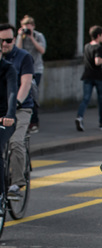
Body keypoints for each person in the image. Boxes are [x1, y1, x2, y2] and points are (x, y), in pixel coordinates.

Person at [0, 23, 34, 199]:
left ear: (14, 39)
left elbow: (25, 83)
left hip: (20, 109)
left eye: (7, 40)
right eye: (0, 40)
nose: (4, 44)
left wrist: (16, 105)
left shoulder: (24, 57)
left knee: (15, 142)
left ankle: (16, 183)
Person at [75, 25, 102, 132]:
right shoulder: (98, 47)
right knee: (101, 99)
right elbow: (97, 62)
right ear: (98, 36)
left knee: (86, 98)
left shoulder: (87, 46)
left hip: (87, 75)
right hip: (97, 76)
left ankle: (79, 116)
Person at [16, 15, 46, 133]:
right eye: (25, 28)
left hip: (36, 69)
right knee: (23, 94)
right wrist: (19, 36)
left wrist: (32, 37)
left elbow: (42, 50)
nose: (27, 30)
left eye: (29, 27)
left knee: (32, 94)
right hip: (22, 70)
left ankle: (34, 122)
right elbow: (17, 50)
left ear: (33, 26)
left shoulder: (38, 36)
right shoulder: (21, 37)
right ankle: (25, 121)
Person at [0, 49, 17, 207]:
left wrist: (10, 115)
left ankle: (0, 195)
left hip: (4, 120)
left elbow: (12, 92)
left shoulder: (8, 68)